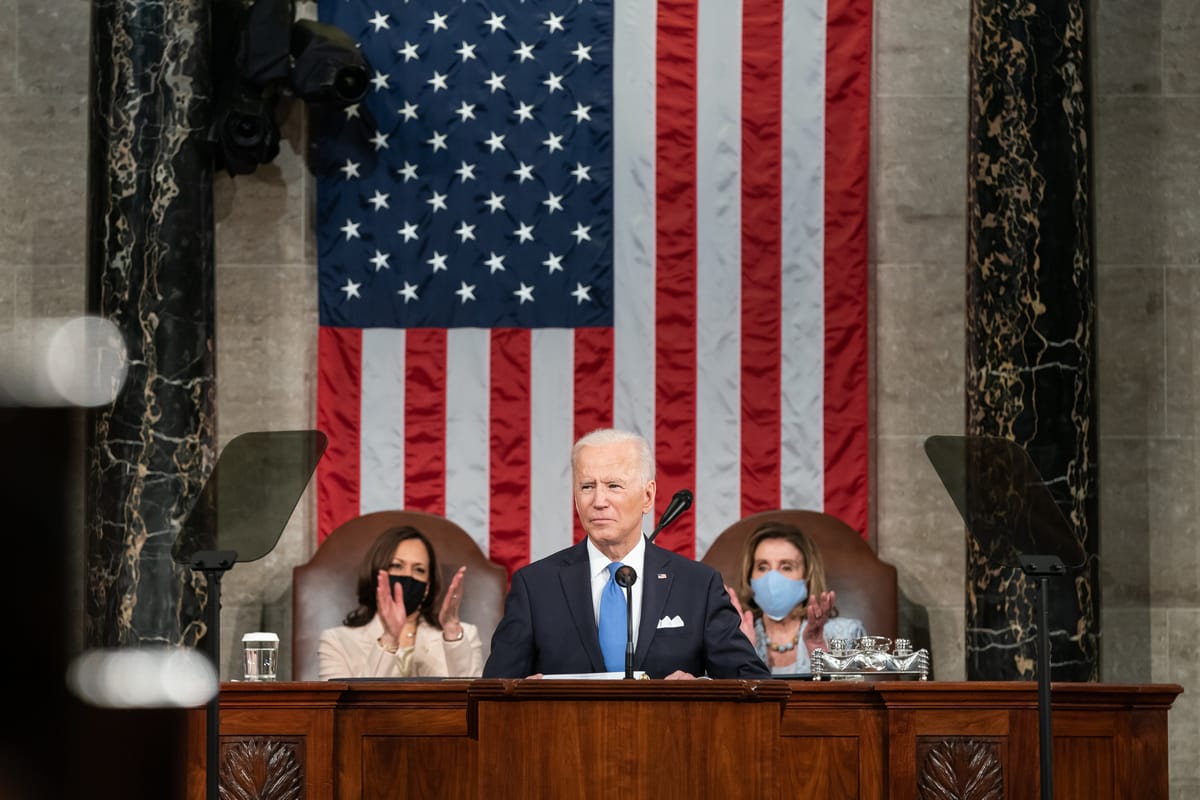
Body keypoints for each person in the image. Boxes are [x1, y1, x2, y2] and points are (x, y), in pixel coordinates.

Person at [483, 428, 769, 679]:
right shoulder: (536, 587)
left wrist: (701, 689)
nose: (598, 501)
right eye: (587, 487)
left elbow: (750, 681)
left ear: (647, 496)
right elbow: (493, 693)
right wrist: (523, 695)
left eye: (613, 486)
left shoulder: (697, 585)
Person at [319, 525, 484, 679]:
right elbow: (339, 708)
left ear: (427, 586)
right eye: (397, 566)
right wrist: (389, 638)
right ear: (377, 574)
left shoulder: (463, 636)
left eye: (419, 570)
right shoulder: (336, 641)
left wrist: (451, 632)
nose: (408, 577)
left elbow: (476, 702)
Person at [729, 520, 867, 675]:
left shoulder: (846, 634)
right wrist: (743, 652)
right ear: (750, 576)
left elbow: (853, 697)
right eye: (762, 567)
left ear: (807, 577)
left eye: (786, 567)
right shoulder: (736, 637)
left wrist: (821, 655)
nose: (772, 578)